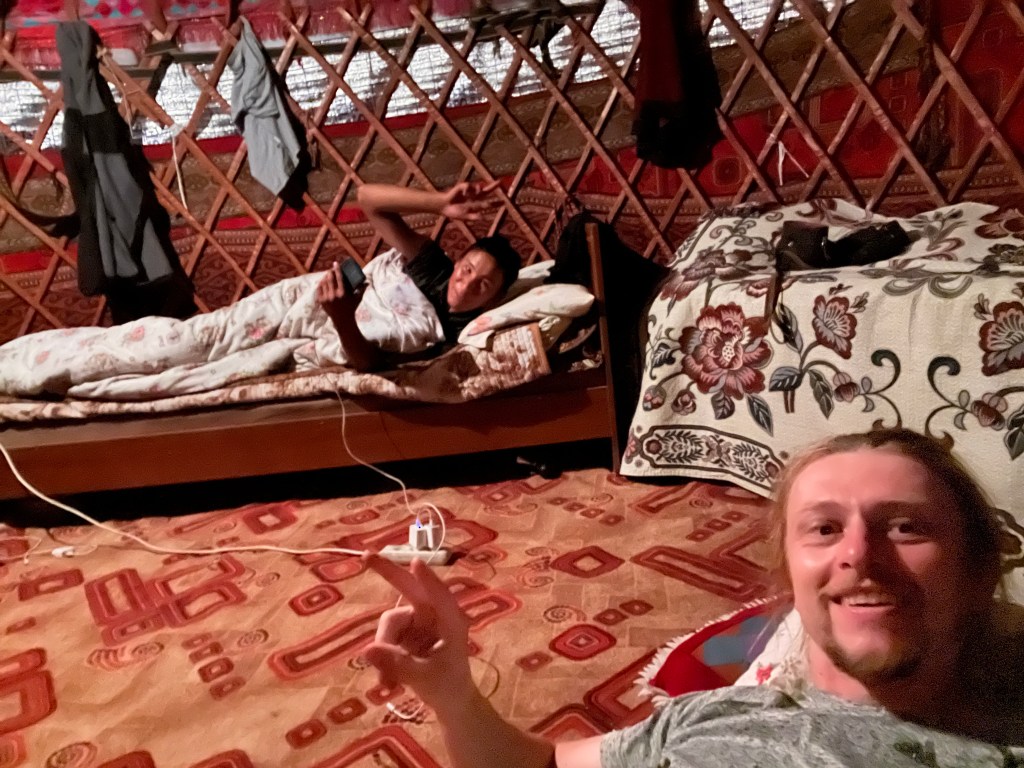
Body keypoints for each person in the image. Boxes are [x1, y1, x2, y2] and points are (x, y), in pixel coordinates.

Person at [362, 427, 1024, 767]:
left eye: (905, 527)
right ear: (789, 573)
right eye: (824, 529)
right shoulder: (707, 717)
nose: (858, 553)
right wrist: (455, 696)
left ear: (976, 569)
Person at [316, 181, 521, 371]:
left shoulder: (459, 337)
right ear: (457, 262)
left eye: (483, 285)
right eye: (467, 270)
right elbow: (366, 197)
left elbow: (373, 364)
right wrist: (440, 203)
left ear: (494, 299)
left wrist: (342, 318)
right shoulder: (434, 268)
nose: (466, 285)